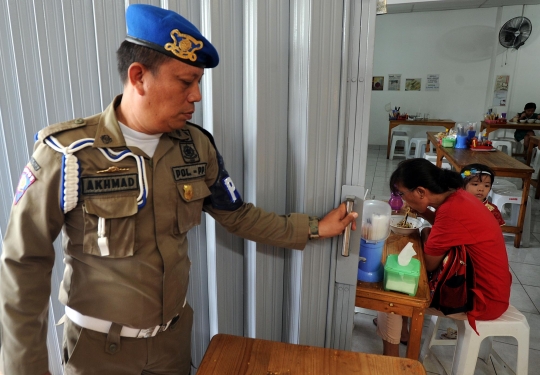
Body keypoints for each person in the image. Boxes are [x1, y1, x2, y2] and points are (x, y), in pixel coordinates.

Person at [0, 5, 358, 375]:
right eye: (186, 82)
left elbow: (237, 216)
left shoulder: (196, 148)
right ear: (138, 77)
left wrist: (315, 227)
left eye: (198, 83)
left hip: (171, 345)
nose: (197, 96)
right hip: (98, 354)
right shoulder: (69, 154)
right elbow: (23, 265)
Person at [375, 158, 511, 357]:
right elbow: (441, 223)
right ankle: (401, 332)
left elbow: (430, 264)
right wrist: (424, 214)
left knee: (393, 293)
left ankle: (393, 363)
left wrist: (426, 234)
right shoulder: (458, 195)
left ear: (421, 191)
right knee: (401, 278)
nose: (403, 200)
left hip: (482, 297)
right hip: (492, 286)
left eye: (403, 194)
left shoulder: (451, 211)